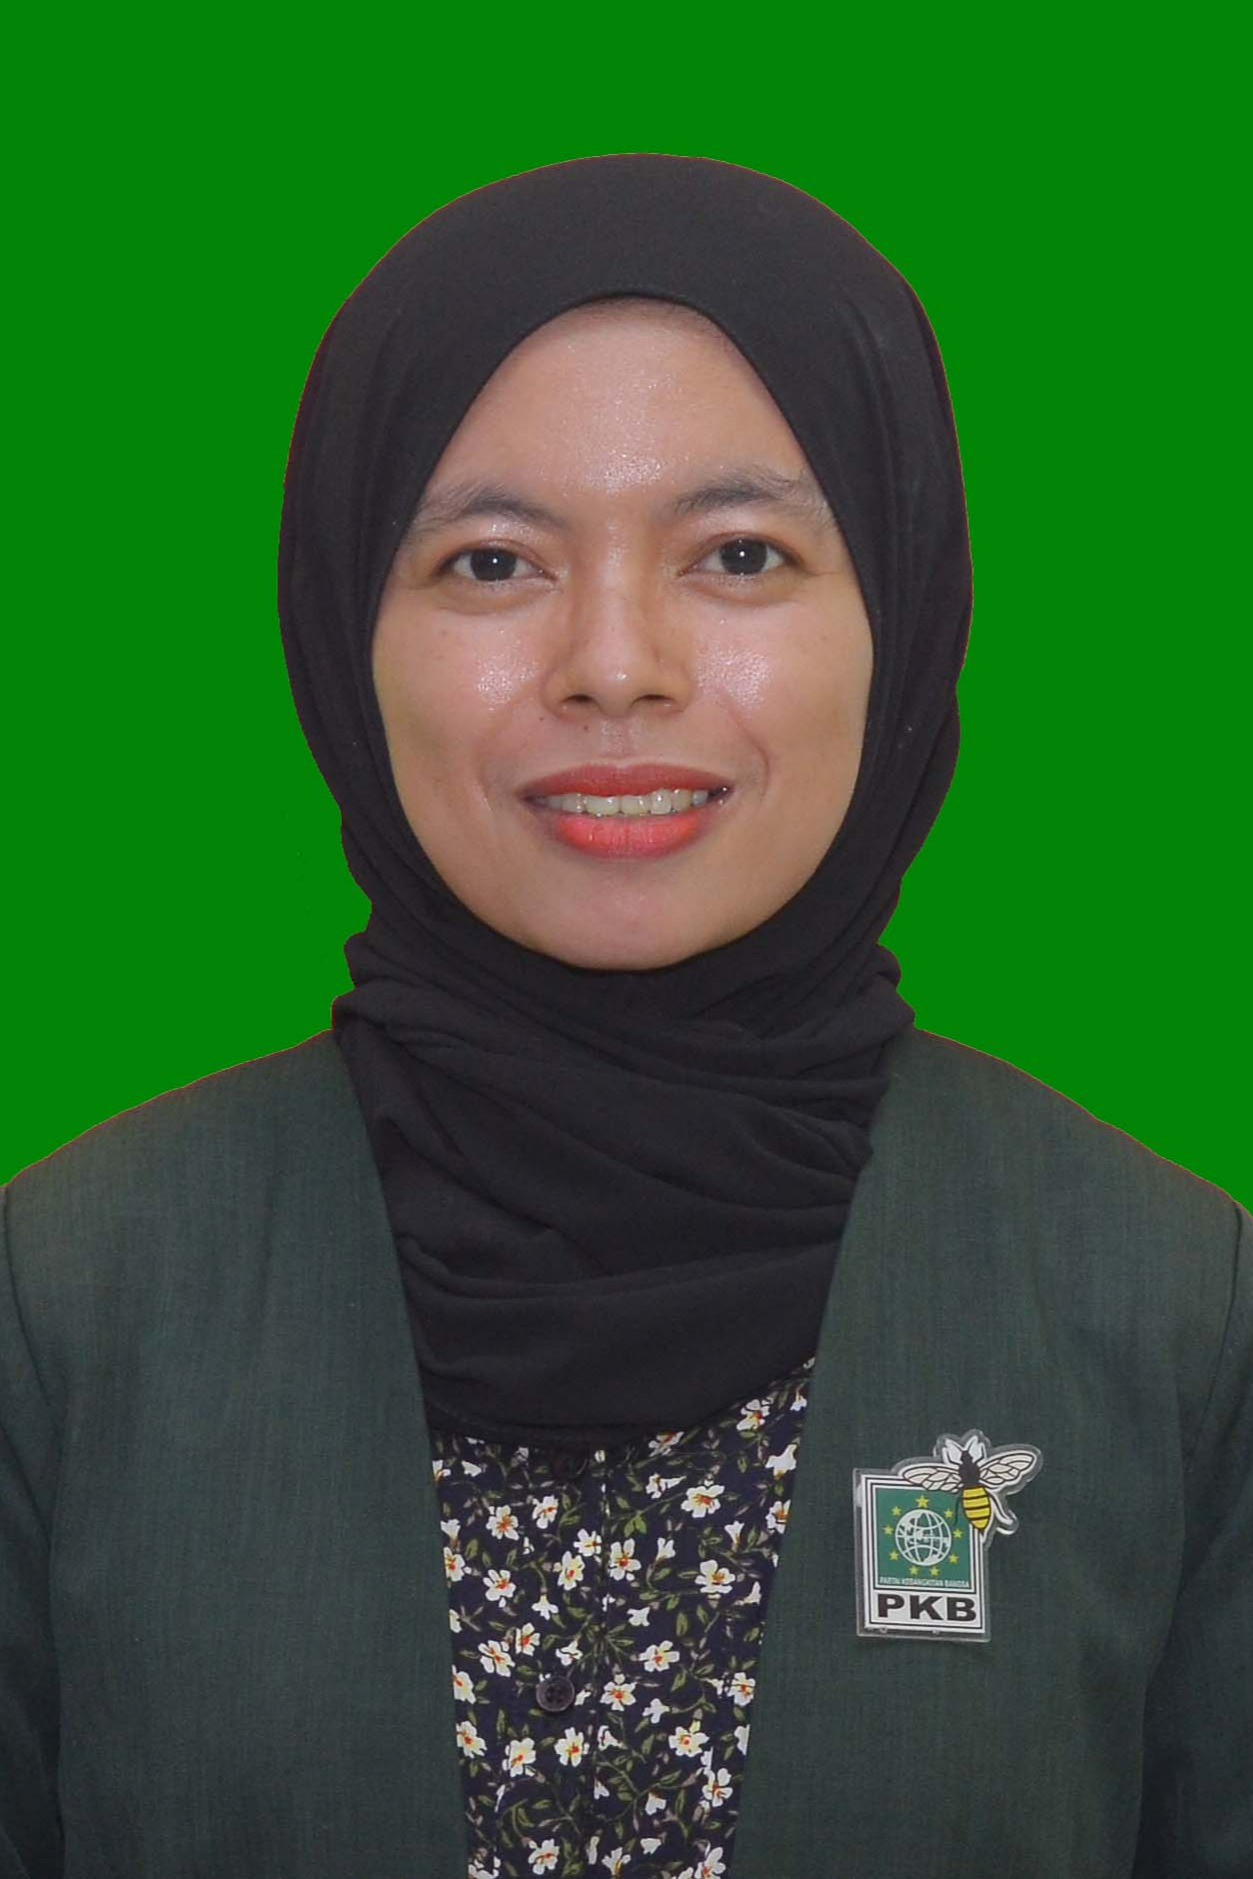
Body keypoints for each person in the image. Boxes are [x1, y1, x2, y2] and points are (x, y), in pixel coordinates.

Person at [1, 154, 1248, 1879]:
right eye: (490, 562)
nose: (611, 662)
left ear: (899, 617)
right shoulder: (67, 1300)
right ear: (343, 633)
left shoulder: (1168, 1311)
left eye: (738, 554)